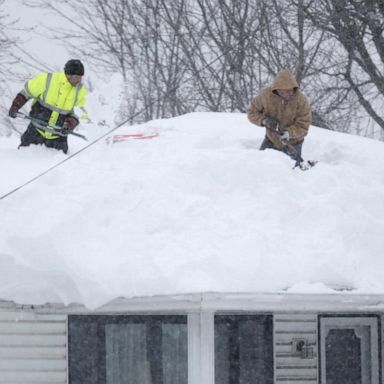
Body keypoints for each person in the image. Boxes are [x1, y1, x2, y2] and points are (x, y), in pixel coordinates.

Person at [8, 59, 88, 154]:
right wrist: (15, 106)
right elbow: (26, 93)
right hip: (35, 132)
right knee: (21, 159)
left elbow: (80, 114)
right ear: (68, 75)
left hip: (58, 138)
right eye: (77, 77)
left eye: (81, 77)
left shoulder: (81, 91)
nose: (79, 80)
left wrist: (69, 124)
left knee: (61, 165)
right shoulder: (47, 80)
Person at [247, 69, 312, 165]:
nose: (286, 95)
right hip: (271, 139)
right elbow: (251, 111)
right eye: (282, 92)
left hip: (293, 143)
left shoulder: (301, 101)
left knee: (292, 173)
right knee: (260, 166)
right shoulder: (265, 95)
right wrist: (264, 121)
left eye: (289, 92)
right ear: (276, 89)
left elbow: (303, 126)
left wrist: (289, 133)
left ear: (294, 88)